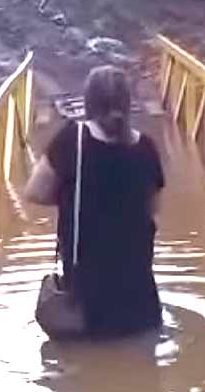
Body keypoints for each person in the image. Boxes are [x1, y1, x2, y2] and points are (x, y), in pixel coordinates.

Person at [25, 66, 165, 338]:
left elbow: (34, 192)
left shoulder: (72, 141)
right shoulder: (146, 148)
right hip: (142, 305)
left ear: (89, 101)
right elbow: (154, 208)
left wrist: (73, 195)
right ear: (128, 103)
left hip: (87, 308)